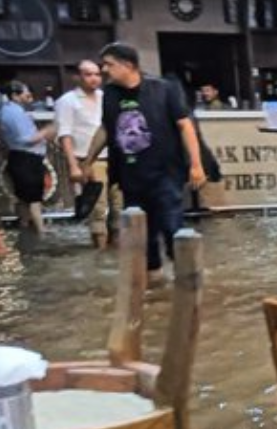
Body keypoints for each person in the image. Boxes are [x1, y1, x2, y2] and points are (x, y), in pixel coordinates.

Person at [82, 42, 206, 283]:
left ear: (128, 65)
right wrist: (88, 160)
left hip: (165, 173)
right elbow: (107, 129)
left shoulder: (163, 89)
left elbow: (185, 125)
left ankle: (188, 282)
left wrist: (196, 164)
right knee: (141, 235)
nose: (104, 70)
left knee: (173, 227)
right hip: (131, 176)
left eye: (109, 64)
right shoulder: (110, 94)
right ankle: (154, 285)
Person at [56, 60, 115, 249]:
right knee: (98, 207)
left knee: (120, 205)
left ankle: (116, 248)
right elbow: (64, 134)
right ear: (77, 77)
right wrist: (73, 165)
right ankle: (100, 249)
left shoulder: (105, 97)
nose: (94, 78)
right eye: (88, 74)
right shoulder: (67, 101)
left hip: (113, 157)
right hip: (86, 160)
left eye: (97, 74)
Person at [1, 82, 55, 244]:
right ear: (15, 95)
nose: (29, 97)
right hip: (26, 158)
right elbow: (27, 139)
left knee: (24, 198)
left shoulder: (12, 111)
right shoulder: (12, 113)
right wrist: (48, 130)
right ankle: (41, 232)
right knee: (33, 199)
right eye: (26, 94)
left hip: (23, 158)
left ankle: (25, 229)